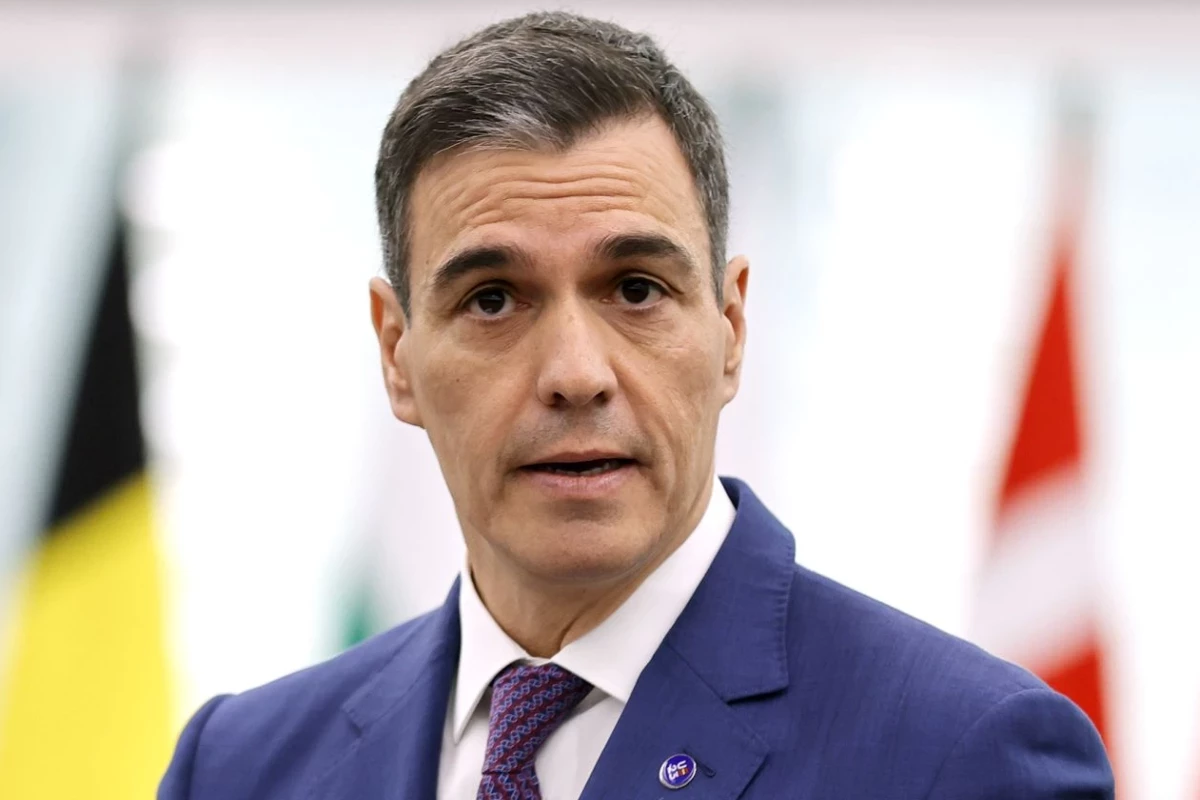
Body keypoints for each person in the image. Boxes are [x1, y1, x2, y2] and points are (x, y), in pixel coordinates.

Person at [159, 11, 1114, 799]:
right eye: (492, 300)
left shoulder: (966, 756)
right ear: (396, 353)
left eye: (635, 289)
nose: (576, 373)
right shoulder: (239, 767)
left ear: (731, 326)